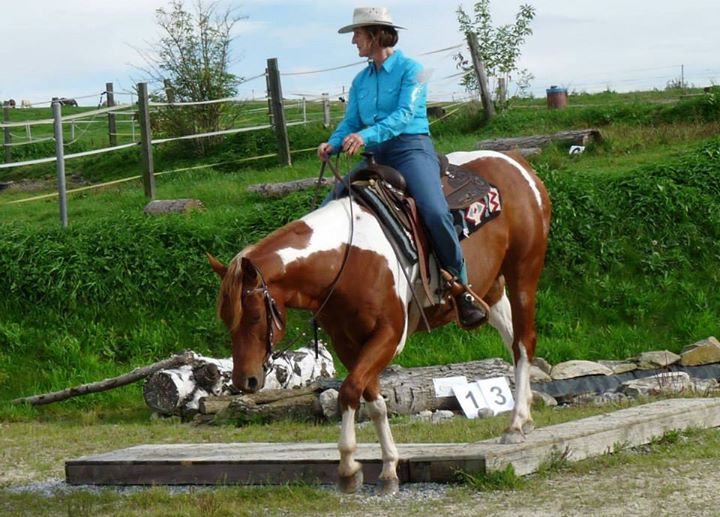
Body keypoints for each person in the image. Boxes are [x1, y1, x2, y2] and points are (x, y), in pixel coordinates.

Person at [316, 6, 486, 328]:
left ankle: (461, 286)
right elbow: (351, 119)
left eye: (358, 33)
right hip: (375, 153)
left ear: (376, 35)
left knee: (434, 210)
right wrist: (333, 143)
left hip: (411, 148)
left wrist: (364, 136)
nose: (353, 40)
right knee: (332, 203)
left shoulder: (413, 70)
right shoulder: (360, 80)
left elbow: (404, 117)